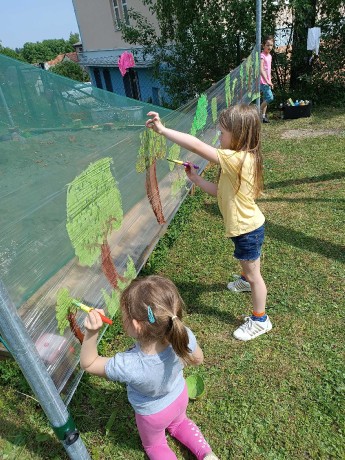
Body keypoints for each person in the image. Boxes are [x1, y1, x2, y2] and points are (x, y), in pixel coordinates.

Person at [146, 105, 272, 341]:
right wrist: (196, 178)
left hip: (247, 230)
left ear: (239, 134)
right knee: (248, 269)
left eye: (222, 133)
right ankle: (245, 281)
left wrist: (163, 130)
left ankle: (260, 319)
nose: (218, 137)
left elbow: (195, 145)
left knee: (255, 275)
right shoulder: (240, 159)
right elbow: (218, 192)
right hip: (246, 228)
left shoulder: (237, 159)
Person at [80, 275, 219, 460]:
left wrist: (91, 333)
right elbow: (198, 359)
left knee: (156, 445)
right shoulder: (183, 335)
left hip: (153, 415)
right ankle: (207, 455)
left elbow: (88, 363)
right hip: (179, 396)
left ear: (136, 325)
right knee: (181, 423)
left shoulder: (129, 364)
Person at [260, 35, 274, 123]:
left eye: (271, 45)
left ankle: (263, 117)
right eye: (267, 45)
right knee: (270, 97)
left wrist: (270, 80)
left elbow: (268, 70)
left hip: (267, 81)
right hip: (262, 81)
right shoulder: (262, 56)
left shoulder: (269, 56)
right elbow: (261, 69)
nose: (269, 47)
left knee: (266, 98)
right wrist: (267, 81)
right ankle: (256, 113)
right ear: (263, 45)